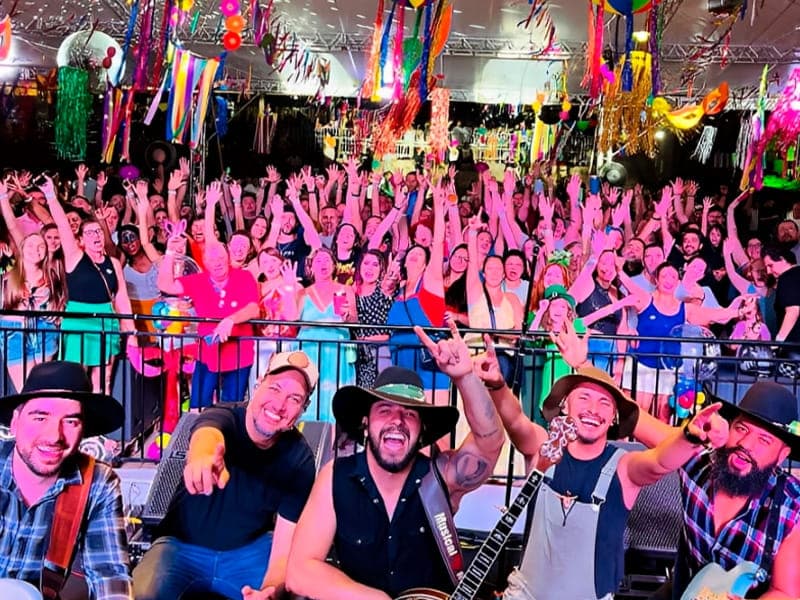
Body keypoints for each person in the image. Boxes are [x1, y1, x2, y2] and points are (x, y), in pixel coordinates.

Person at [475, 339, 729, 600]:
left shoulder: (624, 466)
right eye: (584, 397)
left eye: (605, 403)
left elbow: (659, 462)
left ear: (614, 418)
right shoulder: (545, 447)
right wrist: (496, 384)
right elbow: (516, 421)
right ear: (565, 405)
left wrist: (690, 436)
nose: (593, 410)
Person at [286, 322, 506, 600]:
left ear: (422, 429)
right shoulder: (336, 477)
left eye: (410, 413)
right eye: (385, 409)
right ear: (365, 421)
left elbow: (490, 443)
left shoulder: (440, 478)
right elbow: (300, 571)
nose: (397, 421)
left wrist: (465, 378)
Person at [133, 351, 319, 600]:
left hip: (248, 551)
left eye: (294, 398)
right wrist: (202, 456)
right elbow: (208, 433)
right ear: (258, 383)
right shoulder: (225, 414)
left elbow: (284, 550)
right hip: (180, 547)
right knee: (141, 595)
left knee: (296, 592)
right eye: (274, 388)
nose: (279, 404)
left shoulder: (300, 460)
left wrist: (269, 592)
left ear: (303, 409)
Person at [637, 382, 800, 600]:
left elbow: (785, 592)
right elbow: (635, 419)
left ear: (782, 456)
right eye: (742, 428)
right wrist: (586, 368)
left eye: (764, 440)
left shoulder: (792, 509)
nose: (746, 444)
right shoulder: (698, 461)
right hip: (682, 592)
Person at [0, 361, 131, 598]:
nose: (54, 436)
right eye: (40, 418)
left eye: (71, 421)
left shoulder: (98, 483)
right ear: (15, 422)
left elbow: (109, 574)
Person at [158, 239, 260, 408]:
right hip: (207, 354)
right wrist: (169, 253)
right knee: (198, 406)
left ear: (227, 257)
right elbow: (165, 285)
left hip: (239, 354)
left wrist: (230, 320)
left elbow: (253, 308)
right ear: (204, 262)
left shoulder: (245, 276)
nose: (217, 263)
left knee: (232, 408)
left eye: (220, 258)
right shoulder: (198, 280)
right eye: (212, 260)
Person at [762, 245, 800, 356]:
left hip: (795, 348)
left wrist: (778, 342)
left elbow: (793, 311)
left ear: (782, 259)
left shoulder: (787, 277)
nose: (768, 271)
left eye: (770, 265)